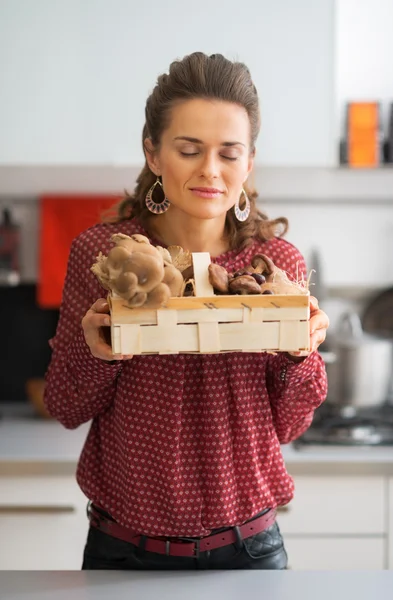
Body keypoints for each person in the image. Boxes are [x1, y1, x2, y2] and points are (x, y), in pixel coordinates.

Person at [44, 52, 329, 570]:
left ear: (249, 162)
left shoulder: (274, 267)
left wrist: (300, 353)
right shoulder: (103, 256)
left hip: (249, 551)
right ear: (153, 154)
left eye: (228, 152)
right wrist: (96, 353)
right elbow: (65, 406)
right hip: (123, 552)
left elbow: (290, 426)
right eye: (189, 149)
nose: (210, 170)